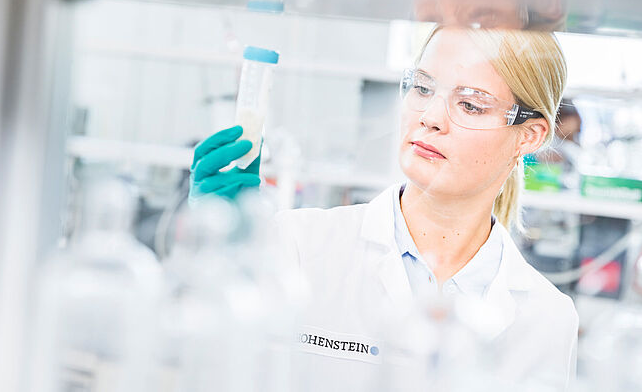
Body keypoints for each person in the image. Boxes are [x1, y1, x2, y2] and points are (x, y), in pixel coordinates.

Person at [188, 27, 578, 390]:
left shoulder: (548, 319)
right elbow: (209, 367)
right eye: (423, 88)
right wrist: (218, 257)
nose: (430, 118)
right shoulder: (297, 245)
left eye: (471, 105)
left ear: (529, 136)